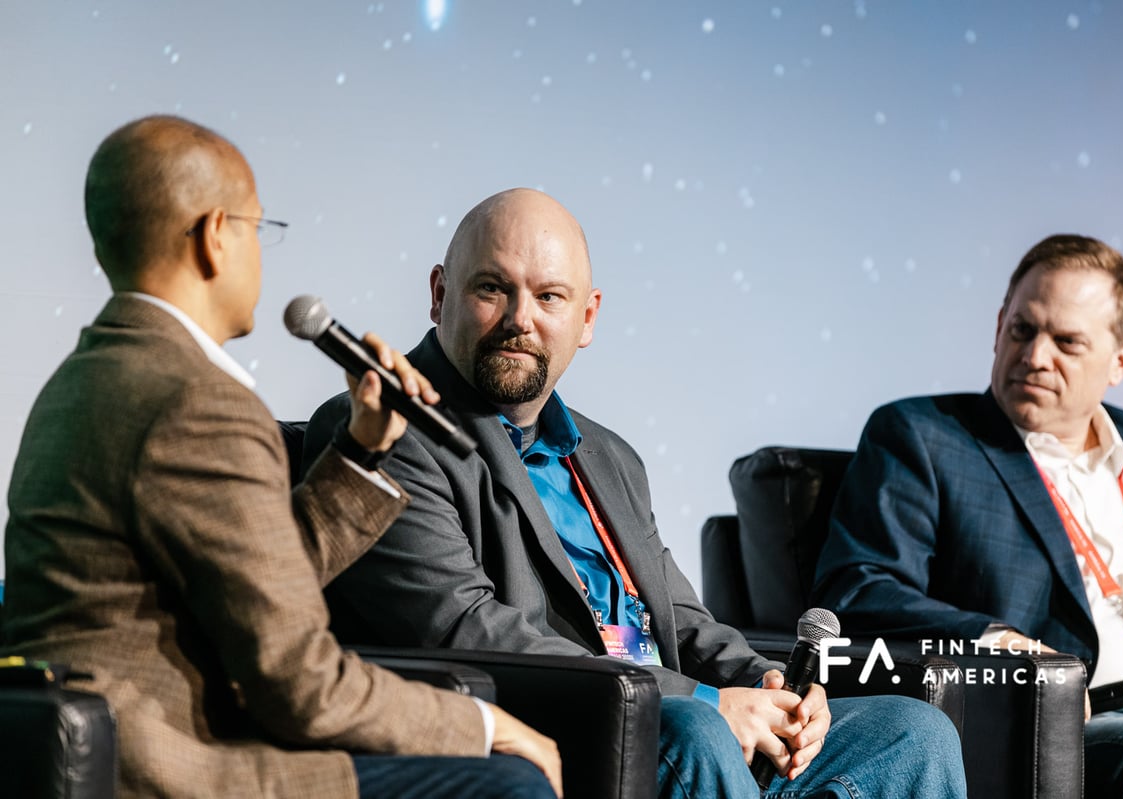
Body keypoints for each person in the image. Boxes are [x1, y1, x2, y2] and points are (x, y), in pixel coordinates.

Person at [304, 187, 968, 799]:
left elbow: (680, 618)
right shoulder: (383, 428)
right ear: (439, 293)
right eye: (491, 288)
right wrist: (704, 702)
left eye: (550, 297)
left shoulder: (610, 456)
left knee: (914, 733)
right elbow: (462, 628)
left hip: (680, 723)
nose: (519, 319)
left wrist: (765, 687)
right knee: (696, 733)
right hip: (562, 725)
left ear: (587, 317)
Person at [1, 116, 560, 799]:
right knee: (512, 783)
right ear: (216, 236)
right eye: (257, 228)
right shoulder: (196, 401)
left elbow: (259, 579)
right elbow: (298, 679)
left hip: (103, 745)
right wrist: (483, 724)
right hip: (172, 765)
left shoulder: (86, 378)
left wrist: (360, 450)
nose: (262, 256)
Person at [814, 233, 1123, 798]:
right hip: (1082, 721)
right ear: (999, 326)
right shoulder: (924, 437)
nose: (1035, 357)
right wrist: (1001, 643)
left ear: (1122, 360)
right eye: (1022, 329)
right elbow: (858, 587)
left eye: (1066, 342)